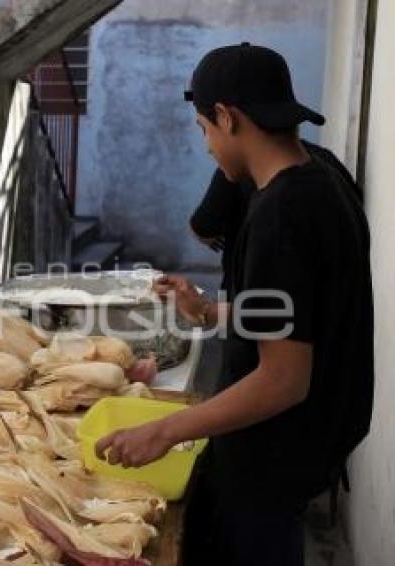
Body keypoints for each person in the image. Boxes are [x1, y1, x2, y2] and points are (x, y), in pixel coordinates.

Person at [94, 44, 374, 565]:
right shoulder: (323, 182)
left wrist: (163, 430)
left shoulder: (281, 215)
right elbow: (301, 317)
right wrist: (209, 312)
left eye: (204, 128)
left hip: (276, 458)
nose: (206, 146)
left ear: (228, 117)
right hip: (306, 451)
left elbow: (284, 380)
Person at [190, 142, 361, 291]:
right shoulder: (325, 162)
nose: (209, 148)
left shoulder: (239, 168)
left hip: (254, 301)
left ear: (230, 120)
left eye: (208, 128)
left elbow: (203, 226)